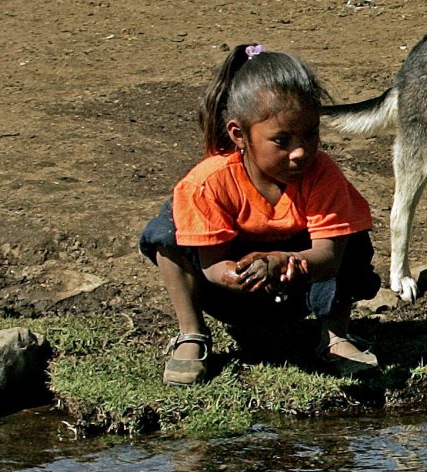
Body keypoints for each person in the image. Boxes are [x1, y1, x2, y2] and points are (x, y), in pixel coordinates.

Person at [141, 44, 381, 386]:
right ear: (240, 135)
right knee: (166, 232)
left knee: (349, 230)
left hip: (300, 287)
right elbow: (211, 267)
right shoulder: (207, 183)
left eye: (311, 134)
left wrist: (283, 261)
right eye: (282, 140)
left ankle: (335, 335)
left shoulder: (323, 175)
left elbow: (328, 259)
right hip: (233, 295)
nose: (300, 152)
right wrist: (239, 274)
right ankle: (191, 334)